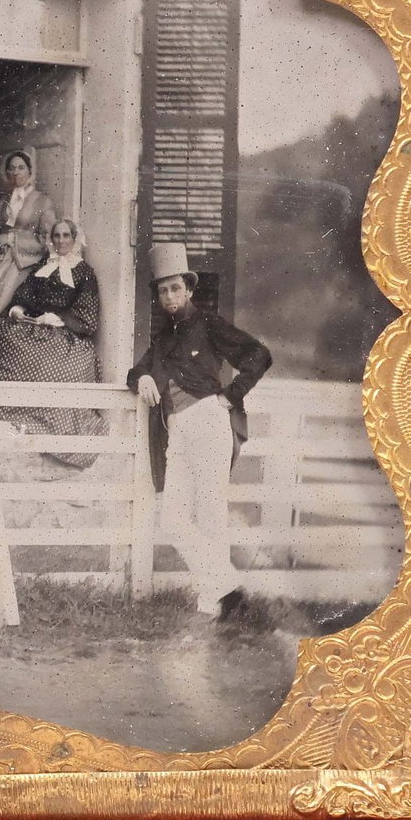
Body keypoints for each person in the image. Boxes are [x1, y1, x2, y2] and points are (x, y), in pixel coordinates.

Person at [127, 243, 272, 617]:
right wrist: (142, 377)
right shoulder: (163, 340)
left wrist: (229, 396)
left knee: (210, 516)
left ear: (189, 290)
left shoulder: (208, 324)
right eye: (163, 290)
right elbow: (136, 371)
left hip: (209, 422)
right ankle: (227, 587)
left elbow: (259, 355)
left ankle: (214, 606)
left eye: (176, 288)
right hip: (177, 432)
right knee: (173, 519)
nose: (170, 295)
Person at [0, 219, 106, 468]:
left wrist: (58, 319)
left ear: (73, 239)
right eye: (57, 236)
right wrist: (18, 309)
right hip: (32, 325)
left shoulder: (84, 272)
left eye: (66, 236)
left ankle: (27, 413)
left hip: (64, 334)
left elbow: (88, 317)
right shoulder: (43, 266)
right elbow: (24, 295)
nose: (61, 241)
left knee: (43, 363)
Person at [0, 150, 57, 331]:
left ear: (30, 172)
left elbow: (48, 239)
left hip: (21, 262)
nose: (16, 172)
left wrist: (12, 239)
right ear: (6, 174)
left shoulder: (42, 201)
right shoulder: (1, 201)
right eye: (11, 169)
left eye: (21, 168)